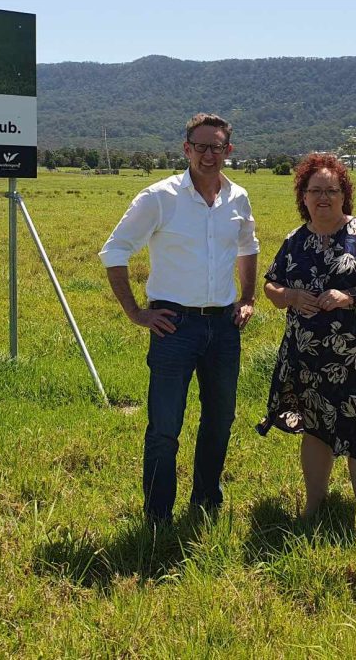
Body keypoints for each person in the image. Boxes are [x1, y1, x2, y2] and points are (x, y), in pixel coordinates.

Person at [100, 113, 259, 525]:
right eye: (201, 146)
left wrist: (247, 297)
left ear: (229, 150)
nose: (209, 155)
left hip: (224, 327)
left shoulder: (237, 197)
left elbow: (248, 247)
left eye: (217, 147)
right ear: (186, 149)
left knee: (220, 418)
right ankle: (157, 516)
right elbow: (114, 252)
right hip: (175, 326)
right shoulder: (158, 197)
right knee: (165, 427)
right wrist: (136, 312)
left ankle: (206, 502)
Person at [258, 153, 356, 529]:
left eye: (331, 190)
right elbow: (271, 284)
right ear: (303, 197)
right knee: (316, 430)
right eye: (315, 190)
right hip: (306, 356)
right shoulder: (295, 240)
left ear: (344, 195)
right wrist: (288, 296)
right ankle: (313, 507)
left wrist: (350, 296)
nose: (323, 197)